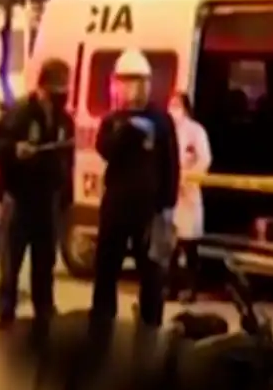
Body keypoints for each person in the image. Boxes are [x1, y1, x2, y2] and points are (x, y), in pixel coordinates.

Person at [89, 48, 180, 337]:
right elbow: (105, 149)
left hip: (149, 211)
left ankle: (150, 328)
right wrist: (127, 130)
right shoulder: (113, 121)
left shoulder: (161, 120)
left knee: (152, 274)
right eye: (127, 81)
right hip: (116, 207)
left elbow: (171, 164)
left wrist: (167, 206)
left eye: (139, 81)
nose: (133, 88)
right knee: (106, 269)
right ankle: (102, 326)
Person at [0, 58, 75, 330]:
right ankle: (6, 312)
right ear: (43, 88)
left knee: (44, 260)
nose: (61, 97)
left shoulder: (64, 120)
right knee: (11, 259)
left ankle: (44, 309)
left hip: (48, 199)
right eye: (56, 91)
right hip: (19, 196)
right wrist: (14, 149)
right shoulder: (21, 112)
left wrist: (66, 196)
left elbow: (67, 159)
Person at [166, 92, 212, 304]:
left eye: (176, 104)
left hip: (189, 192)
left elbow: (204, 158)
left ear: (185, 107)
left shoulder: (196, 130)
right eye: (170, 104)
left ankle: (190, 289)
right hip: (170, 193)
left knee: (189, 245)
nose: (172, 109)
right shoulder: (167, 131)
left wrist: (190, 177)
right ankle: (171, 287)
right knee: (170, 246)